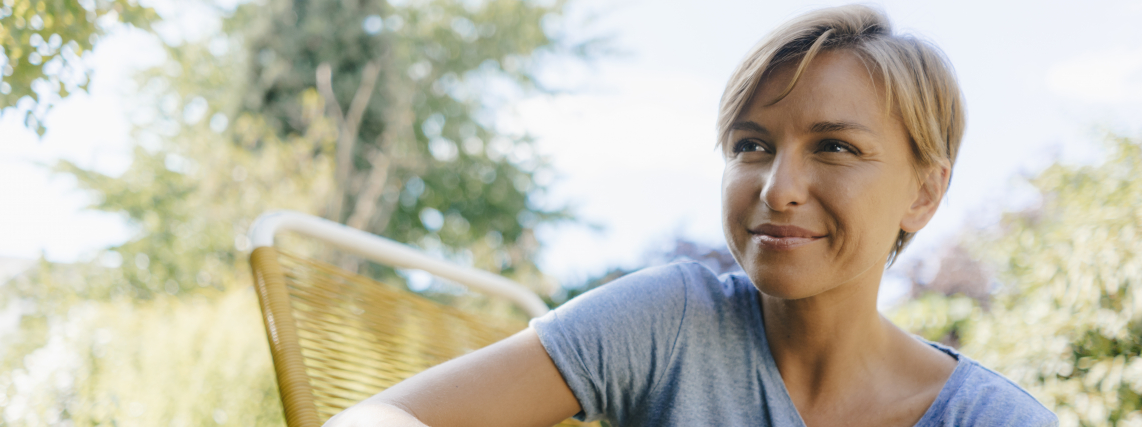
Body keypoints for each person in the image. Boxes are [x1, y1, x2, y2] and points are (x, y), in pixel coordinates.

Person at [325, 5, 1058, 426]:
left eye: (835, 146)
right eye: (752, 145)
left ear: (924, 193)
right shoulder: (672, 321)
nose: (778, 187)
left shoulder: (992, 419)